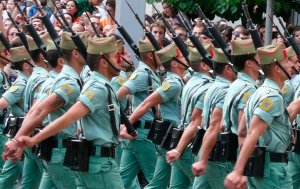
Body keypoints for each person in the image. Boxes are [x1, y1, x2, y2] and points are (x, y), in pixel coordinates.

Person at [18, 36, 134, 189]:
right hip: (98, 163)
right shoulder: (96, 87)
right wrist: (31, 139)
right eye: (116, 56)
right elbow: (68, 116)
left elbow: (84, 123)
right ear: (104, 62)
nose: (120, 60)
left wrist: (115, 131)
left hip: (88, 158)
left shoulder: (93, 84)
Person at [3, 31, 88, 189]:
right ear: (76, 53)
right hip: (62, 151)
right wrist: (18, 140)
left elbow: (35, 110)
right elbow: (39, 110)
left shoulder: (59, 79)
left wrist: (18, 139)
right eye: (87, 48)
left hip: (55, 150)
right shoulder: (68, 82)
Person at [192, 39, 259, 189]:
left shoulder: (232, 85)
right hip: (229, 154)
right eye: (257, 58)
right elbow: (241, 131)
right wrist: (241, 170)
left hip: (219, 151)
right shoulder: (246, 89)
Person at [225, 43, 293, 189]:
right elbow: (253, 132)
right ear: (277, 68)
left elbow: (242, 131)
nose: (290, 65)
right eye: (286, 62)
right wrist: (238, 171)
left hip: (259, 167)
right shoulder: (273, 97)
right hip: (272, 171)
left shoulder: (258, 92)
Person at [129, 43, 187, 189]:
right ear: (175, 63)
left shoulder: (177, 81)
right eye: (181, 56)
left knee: (158, 184)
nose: (186, 58)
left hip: (168, 138)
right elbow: (146, 104)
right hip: (171, 138)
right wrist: (127, 124)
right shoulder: (173, 84)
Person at [165, 44, 214, 189]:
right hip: (190, 143)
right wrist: (179, 150)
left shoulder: (191, 81)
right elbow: (195, 121)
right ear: (204, 65)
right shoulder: (206, 87)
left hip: (180, 138)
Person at [117, 39, 160, 189]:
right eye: (158, 52)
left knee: (124, 180)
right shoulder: (142, 74)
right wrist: (124, 121)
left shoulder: (151, 74)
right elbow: (118, 95)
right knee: (156, 179)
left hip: (139, 132)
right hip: (143, 133)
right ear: (150, 55)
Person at [0, 37, 34, 189]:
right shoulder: (22, 83)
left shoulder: (30, 81)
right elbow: (2, 103)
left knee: (22, 178)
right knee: (12, 176)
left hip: (26, 135)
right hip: (20, 134)